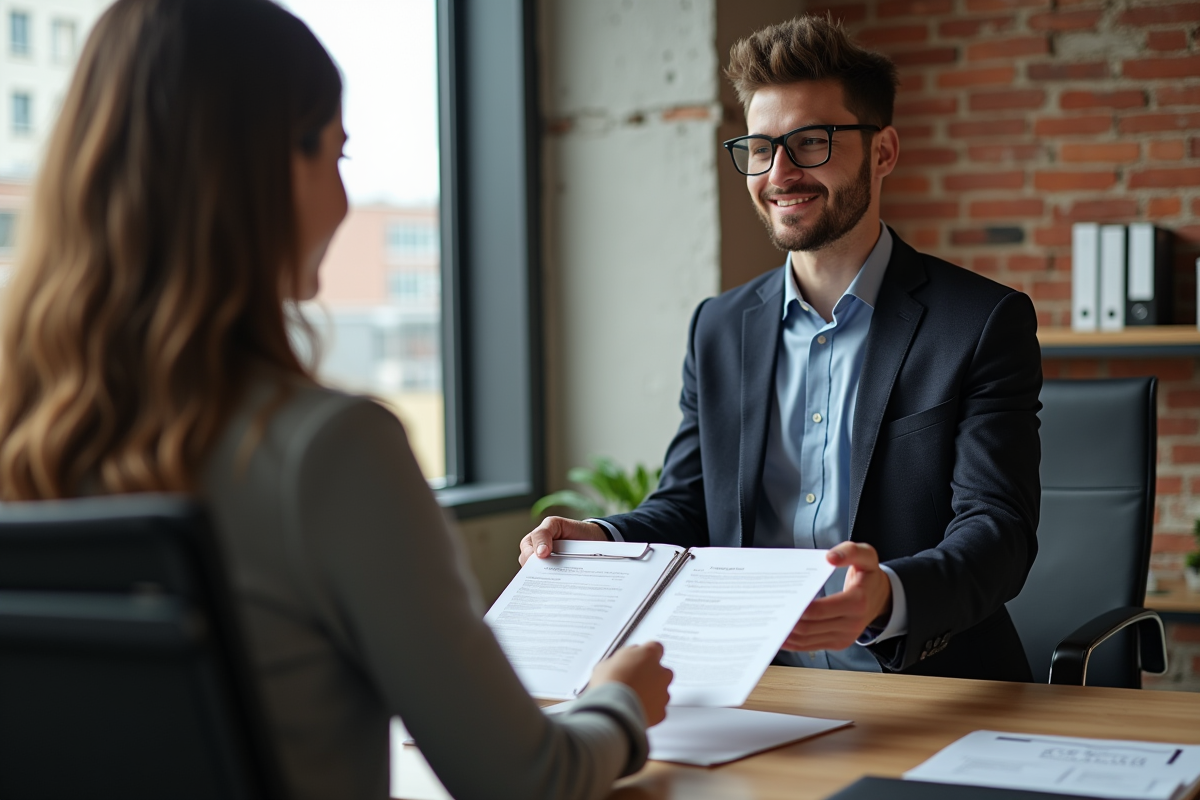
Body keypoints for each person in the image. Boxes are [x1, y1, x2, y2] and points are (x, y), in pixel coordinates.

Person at [0, 1, 671, 798]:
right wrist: (620, 700)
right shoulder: (331, 451)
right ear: (270, 163)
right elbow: (523, 778)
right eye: (338, 153)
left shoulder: (23, 436)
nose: (347, 198)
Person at [521, 15, 1041, 683]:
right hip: (756, 681)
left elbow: (997, 532)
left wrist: (888, 594)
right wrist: (603, 539)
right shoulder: (719, 327)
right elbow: (687, 505)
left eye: (811, 143)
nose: (779, 173)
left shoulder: (980, 321)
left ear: (882, 152)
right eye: (761, 148)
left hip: (925, 681)